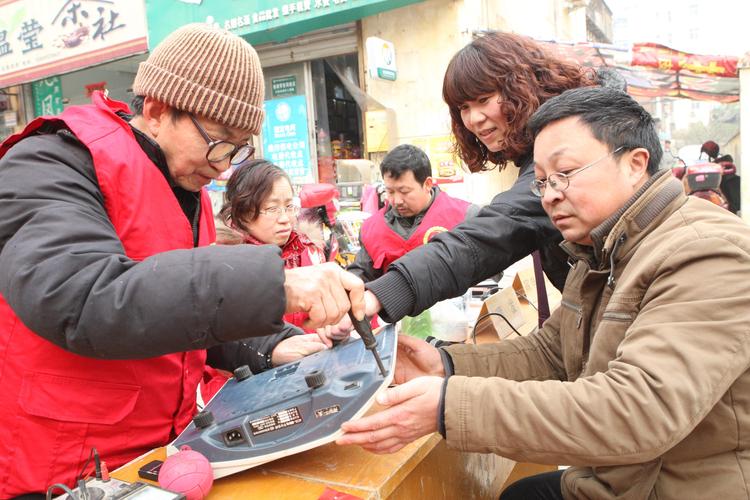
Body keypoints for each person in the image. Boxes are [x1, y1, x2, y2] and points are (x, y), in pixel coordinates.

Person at [0, 24, 364, 497]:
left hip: (154, 458)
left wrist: (274, 344)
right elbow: (85, 298)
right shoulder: (52, 161)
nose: (224, 163)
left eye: (239, 148)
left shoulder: (184, 182)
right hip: (59, 466)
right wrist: (278, 284)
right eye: (218, 139)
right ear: (156, 109)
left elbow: (182, 313)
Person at [337, 86, 750, 499]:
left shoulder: (706, 252)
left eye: (565, 173)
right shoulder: (600, 251)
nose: (551, 194)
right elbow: (552, 353)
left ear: (634, 164)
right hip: (619, 479)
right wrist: (444, 364)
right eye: (541, 182)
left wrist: (448, 405)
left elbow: (639, 411)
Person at [326, 32, 601, 340]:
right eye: (463, 108)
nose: (474, 118)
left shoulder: (570, 139)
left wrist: (384, 293)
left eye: (484, 100)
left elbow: (495, 232)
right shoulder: (543, 147)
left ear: (521, 87)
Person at [217, 158, 326, 329]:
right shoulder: (225, 264)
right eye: (271, 209)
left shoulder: (310, 251)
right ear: (242, 211)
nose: (285, 219)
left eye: (289, 206)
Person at [347, 144, 476, 283]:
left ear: (427, 184)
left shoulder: (465, 216)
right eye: (390, 192)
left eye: (404, 191)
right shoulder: (372, 229)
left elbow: (489, 271)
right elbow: (361, 274)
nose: (396, 201)